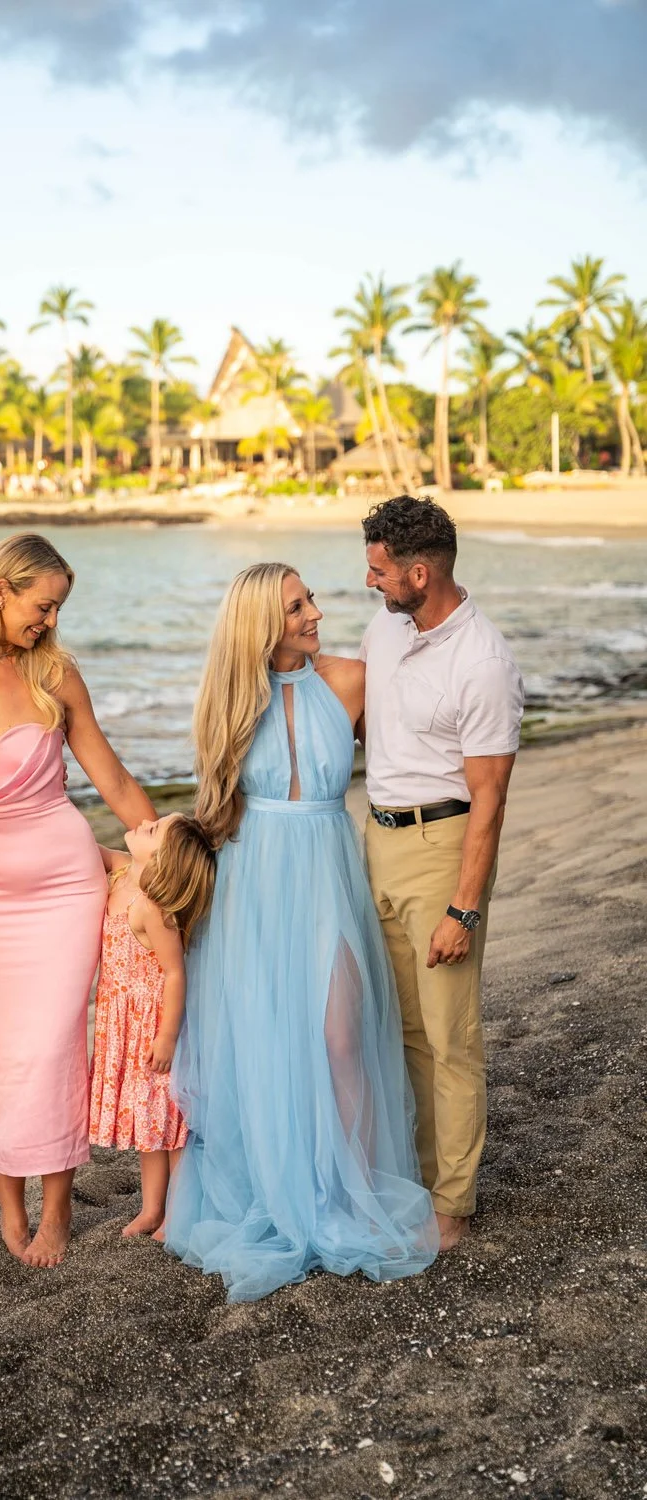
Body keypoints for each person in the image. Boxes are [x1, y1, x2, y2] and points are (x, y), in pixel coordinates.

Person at [165, 563, 438, 1303]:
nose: (315, 612)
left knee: (342, 1036)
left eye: (310, 598)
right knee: (264, 1038)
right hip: (252, 884)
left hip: (325, 873)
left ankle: (351, 1194)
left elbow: (413, 750)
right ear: (262, 623)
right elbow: (214, 810)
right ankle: (277, 1189)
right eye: (296, 606)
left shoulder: (350, 680)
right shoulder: (227, 700)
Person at [0, 534, 155, 1269]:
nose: (48, 621)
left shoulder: (54, 674)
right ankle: (7, 1205)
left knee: (53, 1045)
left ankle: (56, 1210)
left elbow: (110, 777)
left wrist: (156, 856)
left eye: (56, 609)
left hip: (62, 882)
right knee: (2, 1052)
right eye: (41, 605)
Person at [360, 496, 524, 1252]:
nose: (370, 582)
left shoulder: (482, 660)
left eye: (380, 570)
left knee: (451, 1036)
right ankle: (420, 1180)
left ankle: (452, 1204)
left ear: (419, 573)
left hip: (443, 845)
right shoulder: (385, 629)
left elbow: (489, 797)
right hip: (379, 840)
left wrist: (464, 909)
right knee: (406, 1032)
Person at [89, 813, 216, 1240]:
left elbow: (174, 973)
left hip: (151, 1027)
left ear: (164, 859)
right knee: (149, 1124)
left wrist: (166, 1037)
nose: (146, 820)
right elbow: (85, 849)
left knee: (170, 1125)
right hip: (120, 1021)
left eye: (156, 828)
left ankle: (178, 1212)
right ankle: (151, 1209)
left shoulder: (152, 907)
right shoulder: (122, 870)